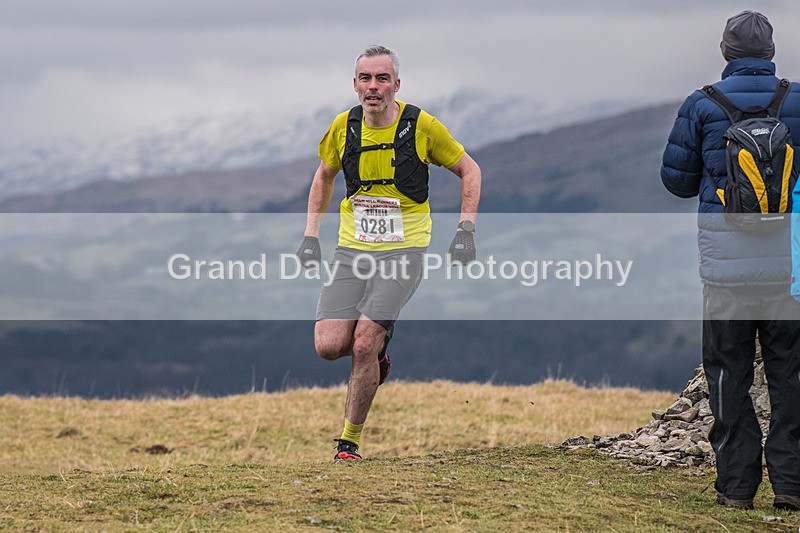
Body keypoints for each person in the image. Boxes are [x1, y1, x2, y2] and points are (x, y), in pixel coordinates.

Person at [295, 45, 482, 461]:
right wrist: (311, 235)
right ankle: (378, 352)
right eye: (366, 78)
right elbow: (323, 175)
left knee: (362, 343)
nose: (373, 87)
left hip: (405, 250)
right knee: (328, 345)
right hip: (352, 248)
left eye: (382, 79)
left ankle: (349, 442)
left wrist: (464, 231)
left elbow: (470, 170)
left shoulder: (422, 126)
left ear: (396, 85)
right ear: (355, 84)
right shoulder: (343, 126)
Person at [661, 11, 800, 511]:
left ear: (726, 53)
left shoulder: (702, 104)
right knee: (792, 375)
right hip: (790, 272)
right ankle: (791, 484)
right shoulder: (797, 100)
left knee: (727, 373)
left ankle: (737, 488)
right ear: (771, 52)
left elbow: (676, 182)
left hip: (725, 271)